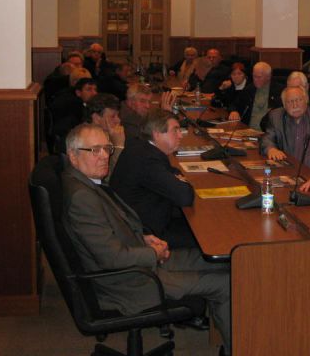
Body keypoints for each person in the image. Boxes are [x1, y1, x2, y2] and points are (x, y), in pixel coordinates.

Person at [61, 123, 231, 355]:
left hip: (136, 260)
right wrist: (152, 253)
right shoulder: (82, 198)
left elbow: (111, 233)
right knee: (225, 284)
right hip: (128, 282)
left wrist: (144, 238)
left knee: (219, 261)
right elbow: (112, 258)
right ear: (73, 156)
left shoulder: (85, 181)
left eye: (106, 148)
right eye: (94, 150)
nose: (104, 156)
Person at [111, 110, 197, 249]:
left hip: (141, 221)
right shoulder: (147, 159)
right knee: (209, 235)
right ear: (157, 134)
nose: (180, 135)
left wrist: (176, 178)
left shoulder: (140, 147)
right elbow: (185, 196)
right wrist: (181, 181)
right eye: (175, 130)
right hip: (148, 234)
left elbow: (172, 171)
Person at [261, 86, 310, 169]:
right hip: (289, 170)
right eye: (290, 102)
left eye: (299, 100)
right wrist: (271, 149)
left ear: (306, 100)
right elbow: (267, 138)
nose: (295, 105)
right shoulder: (276, 116)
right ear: (284, 105)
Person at [228, 61, 282, 128]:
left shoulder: (279, 91)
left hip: (268, 131)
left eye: (259, 77)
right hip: (248, 130)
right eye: (254, 76)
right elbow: (234, 104)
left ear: (268, 77)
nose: (255, 80)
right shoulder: (249, 89)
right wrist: (234, 111)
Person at [85, 93, 125, 176]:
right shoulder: (87, 141)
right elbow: (106, 177)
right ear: (96, 118)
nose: (118, 120)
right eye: (112, 116)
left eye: (118, 115)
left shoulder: (109, 135)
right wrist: (119, 146)